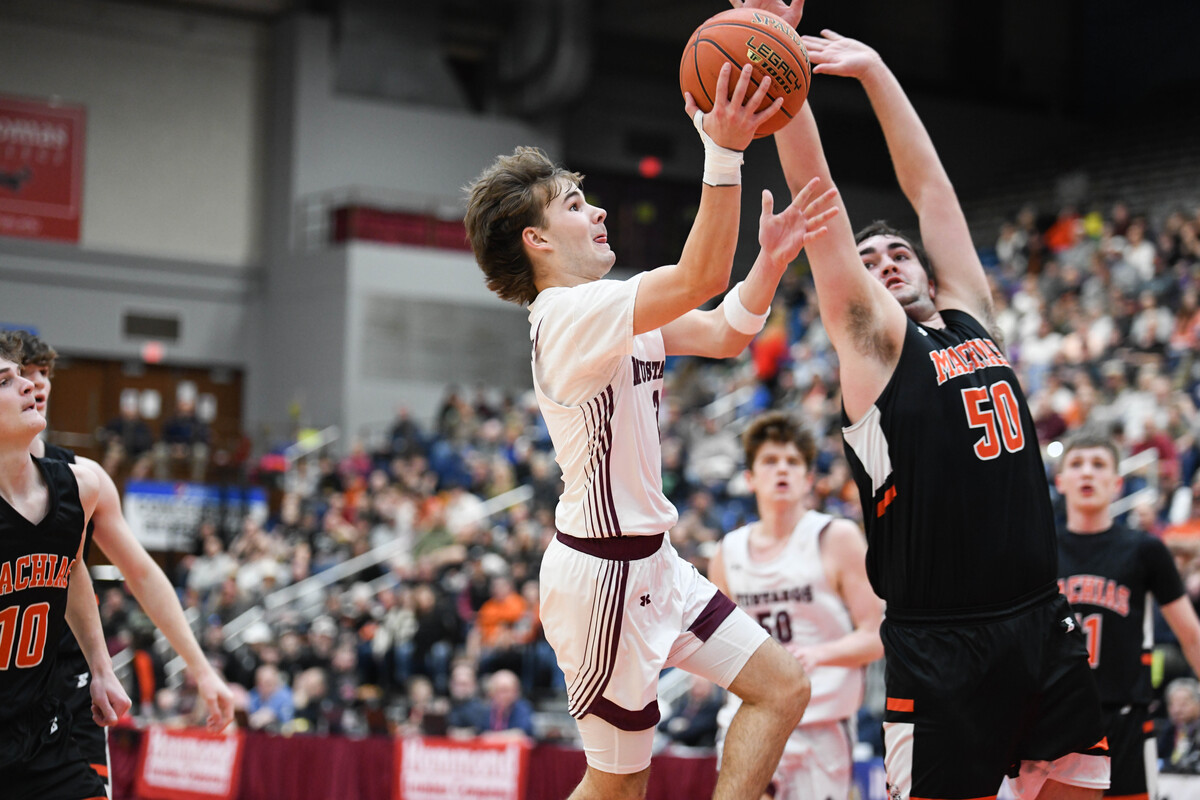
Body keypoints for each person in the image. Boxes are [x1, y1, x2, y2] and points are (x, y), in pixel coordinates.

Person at [737, 1, 1109, 796]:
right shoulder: (872, 344)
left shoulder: (975, 315)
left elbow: (931, 186)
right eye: (869, 258)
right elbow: (819, 199)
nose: (888, 260)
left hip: (1041, 621)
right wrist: (782, 71)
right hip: (941, 645)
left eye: (900, 250)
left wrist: (874, 70)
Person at [464, 61, 838, 800]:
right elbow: (699, 276)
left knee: (783, 688)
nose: (598, 212)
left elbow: (726, 331)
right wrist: (723, 151)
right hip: (603, 577)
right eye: (577, 204)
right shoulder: (568, 316)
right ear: (537, 239)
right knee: (616, 788)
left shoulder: (607, 310)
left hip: (654, 565)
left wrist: (765, 266)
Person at [5, 330, 235, 792]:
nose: (36, 385)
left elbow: (137, 574)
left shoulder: (81, 481)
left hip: (64, 687)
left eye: (43, 374)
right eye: (20, 375)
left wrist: (200, 667)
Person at [708, 411, 884, 800]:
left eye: (793, 462)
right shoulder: (728, 552)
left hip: (820, 722)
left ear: (808, 479)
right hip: (749, 716)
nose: (781, 470)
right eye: (770, 461)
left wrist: (814, 656)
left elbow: (878, 636)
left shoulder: (836, 537)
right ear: (750, 478)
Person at [0, 342, 132, 799]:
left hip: (41, 733)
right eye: (5, 381)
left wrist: (101, 667)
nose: (29, 384)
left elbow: (71, 566)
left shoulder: (77, 487)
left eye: (26, 374)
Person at [1055, 430, 1200, 798]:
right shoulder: (1041, 551)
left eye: (1099, 465)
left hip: (1125, 720)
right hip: (1054, 719)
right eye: (1077, 464)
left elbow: (1191, 635)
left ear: (1118, 482)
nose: (1087, 473)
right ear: (1061, 481)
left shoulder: (1145, 550)